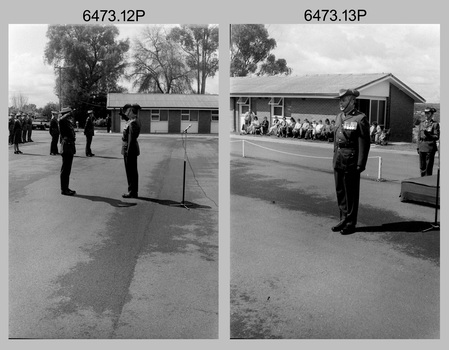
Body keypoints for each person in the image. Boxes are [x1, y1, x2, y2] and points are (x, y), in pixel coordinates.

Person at [332, 88, 370, 235]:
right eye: (340, 100)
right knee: (340, 191)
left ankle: (350, 222)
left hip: (351, 159)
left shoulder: (360, 118)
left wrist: (361, 163)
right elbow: (336, 141)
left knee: (351, 193)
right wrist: (334, 156)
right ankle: (343, 219)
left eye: (344, 99)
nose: (341, 102)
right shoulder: (338, 117)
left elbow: (364, 142)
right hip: (339, 159)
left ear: (352, 101)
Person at [120, 103, 141, 198]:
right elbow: (127, 120)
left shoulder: (133, 123)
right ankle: (133, 191)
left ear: (133, 112)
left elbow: (131, 139)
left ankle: (132, 191)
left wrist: (128, 152)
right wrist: (123, 115)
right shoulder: (133, 121)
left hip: (130, 150)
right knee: (132, 171)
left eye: (129, 112)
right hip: (129, 149)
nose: (127, 113)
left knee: (131, 171)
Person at [415, 107, 439, 176]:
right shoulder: (421, 123)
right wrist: (418, 146)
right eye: (425, 113)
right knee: (422, 167)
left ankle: (427, 182)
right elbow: (419, 136)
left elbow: (436, 136)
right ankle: (422, 181)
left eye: (428, 113)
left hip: (430, 147)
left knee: (428, 167)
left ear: (431, 114)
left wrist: (428, 135)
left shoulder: (435, 124)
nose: (426, 114)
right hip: (422, 146)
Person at [58, 107, 77, 196]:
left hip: (70, 146)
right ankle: (64, 189)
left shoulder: (67, 122)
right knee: (65, 170)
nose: (70, 115)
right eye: (69, 113)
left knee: (67, 169)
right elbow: (61, 119)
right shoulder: (62, 121)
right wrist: (68, 113)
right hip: (66, 146)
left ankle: (66, 187)